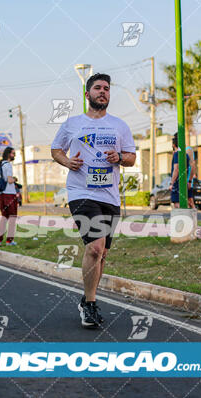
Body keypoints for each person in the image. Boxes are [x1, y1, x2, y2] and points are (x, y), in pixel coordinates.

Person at [51, 73, 136, 329]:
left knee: (103, 254)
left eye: (107, 88)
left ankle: (88, 298)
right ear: (87, 94)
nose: (103, 92)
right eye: (97, 88)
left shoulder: (119, 125)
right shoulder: (72, 123)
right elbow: (56, 149)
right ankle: (89, 304)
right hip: (81, 193)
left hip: (109, 196)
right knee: (95, 247)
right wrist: (68, 162)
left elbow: (131, 158)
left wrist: (118, 157)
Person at [0, 146, 18, 247]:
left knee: (4, 217)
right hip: (10, 194)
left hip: (2, 194)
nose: (14, 155)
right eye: (13, 153)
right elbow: (9, 180)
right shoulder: (8, 165)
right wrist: (15, 179)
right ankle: (9, 241)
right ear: (9, 154)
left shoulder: (1, 164)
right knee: (12, 218)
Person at [169, 134, 195, 208]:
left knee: (177, 204)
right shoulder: (186, 155)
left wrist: (172, 183)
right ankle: (191, 218)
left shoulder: (177, 154)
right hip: (184, 181)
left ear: (174, 145)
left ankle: (183, 218)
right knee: (189, 203)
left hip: (177, 183)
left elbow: (176, 169)